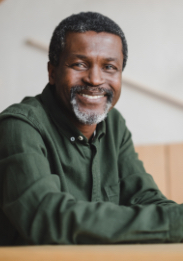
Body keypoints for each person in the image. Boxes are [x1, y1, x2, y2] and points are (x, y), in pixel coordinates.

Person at [0, 12, 182, 246]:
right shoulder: (18, 126)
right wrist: (173, 222)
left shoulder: (113, 124)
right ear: (52, 72)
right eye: (79, 64)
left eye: (109, 67)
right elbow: (47, 218)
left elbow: (146, 197)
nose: (95, 79)